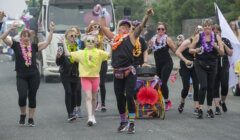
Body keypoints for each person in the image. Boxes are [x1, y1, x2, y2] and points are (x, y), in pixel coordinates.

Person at [100, 7, 154, 134]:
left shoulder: (131, 37)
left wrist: (147, 15)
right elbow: (102, 27)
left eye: (126, 27)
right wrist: (102, 14)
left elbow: (141, 27)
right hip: (117, 72)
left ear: (129, 29)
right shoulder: (114, 38)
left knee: (129, 96)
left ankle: (131, 123)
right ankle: (123, 121)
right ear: (118, 28)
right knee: (119, 98)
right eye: (121, 27)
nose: (123, 28)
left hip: (130, 71)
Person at [0, 18, 54, 126]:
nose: (25, 37)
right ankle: (23, 114)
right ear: (21, 37)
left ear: (30, 38)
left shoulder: (34, 46)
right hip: (21, 76)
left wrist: (51, 30)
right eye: (23, 36)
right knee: (22, 96)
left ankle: (31, 118)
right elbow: (2, 38)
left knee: (32, 96)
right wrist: (10, 28)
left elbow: (47, 42)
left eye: (27, 36)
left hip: (34, 75)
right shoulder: (15, 45)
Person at [64, 34, 109, 127]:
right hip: (85, 78)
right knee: (88, 97)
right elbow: (68, 54)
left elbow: (108, 55)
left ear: (96, 42)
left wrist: (110, 46)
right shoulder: (80, 52)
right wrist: (64, 43)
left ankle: (93, 115)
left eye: (92, 41)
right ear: (85, 42)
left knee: (94, 98)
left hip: (96, 77)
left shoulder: (99, 52)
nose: (90, 43)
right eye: (88, 41)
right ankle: (89, 117)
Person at [189, 19, 224, 119]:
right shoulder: (198, 36)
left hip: (213, 64)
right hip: (200, 64)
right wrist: (196, 49)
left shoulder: (217, 37)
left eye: (209, 27)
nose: (207, 29)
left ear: (211, 27)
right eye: (205, 27)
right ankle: (200, 108)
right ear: (203, 27)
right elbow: (190, 49)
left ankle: (209, 109)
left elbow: (222, 53)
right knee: (203, 86)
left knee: (210, 87)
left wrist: (216, 47)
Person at [149, 22, 177, 111]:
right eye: (159, 29)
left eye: (162, 29)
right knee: (157, 83)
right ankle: (158, 101)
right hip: (158, 65)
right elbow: (148, 52)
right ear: (156, 30)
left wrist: (182, 61)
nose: (160, 30)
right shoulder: (153, 40)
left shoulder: (167, 39)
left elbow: (175, 50)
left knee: (163, 82)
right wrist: (149, 47)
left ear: (165, 31)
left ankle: (167, 101)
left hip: (167, 63)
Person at [175, 26, 203, 115]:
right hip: (185, 65)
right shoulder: (188, 41)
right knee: (186, 87)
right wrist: (185, 60)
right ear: (194, 32)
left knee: (196, 85)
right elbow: (177, 52)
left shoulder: (202, 44)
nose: (199, 33)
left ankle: (196, 107)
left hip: (196, 66)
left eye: (200, 32)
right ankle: (182, 102)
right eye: (197, 31)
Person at [56, 29, 82, 122]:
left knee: (74, 93)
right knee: (68, 92)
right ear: (66, 36)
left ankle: (73, 111)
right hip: (66, 73)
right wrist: (58, 56)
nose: (73, 38)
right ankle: (69, 113)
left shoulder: (79, 46)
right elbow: (58, 63)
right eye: (71, 36)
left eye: (75, 36)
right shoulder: (62, 46)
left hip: (76, 73)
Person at [85, 21, 108, 112]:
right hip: (93, 62)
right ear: (91, 27)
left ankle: (103, 104)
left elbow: (102, 44)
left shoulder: (103, 37)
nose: (96, 28)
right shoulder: (88, 37)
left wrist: (99, 39)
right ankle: (96, 102)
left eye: (98, 27)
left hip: (102, 61)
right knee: (94, 84)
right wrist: (90, 35)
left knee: (102, 83)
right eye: (94, 26)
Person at [212, 24, 233, 114]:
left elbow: (231, 53)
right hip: (213, 64)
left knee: (224, 86)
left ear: (220, 32)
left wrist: (223, 45)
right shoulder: (210, 41)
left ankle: (222, 101)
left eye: (218, 32)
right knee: (215, 86)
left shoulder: (225, 40)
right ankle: (217, 107)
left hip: (224, 64)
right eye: (214, 32)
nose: (216, 34)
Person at [70, 26, 85, 117]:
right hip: (71, 68)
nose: (73, 35)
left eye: (75, 33)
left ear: (78, 34)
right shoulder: (68, 43)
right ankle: (72, 108)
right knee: (72, 90)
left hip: (80, 68)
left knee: (78, 89)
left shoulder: (82, 43)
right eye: (71, 33)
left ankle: (78, 108)